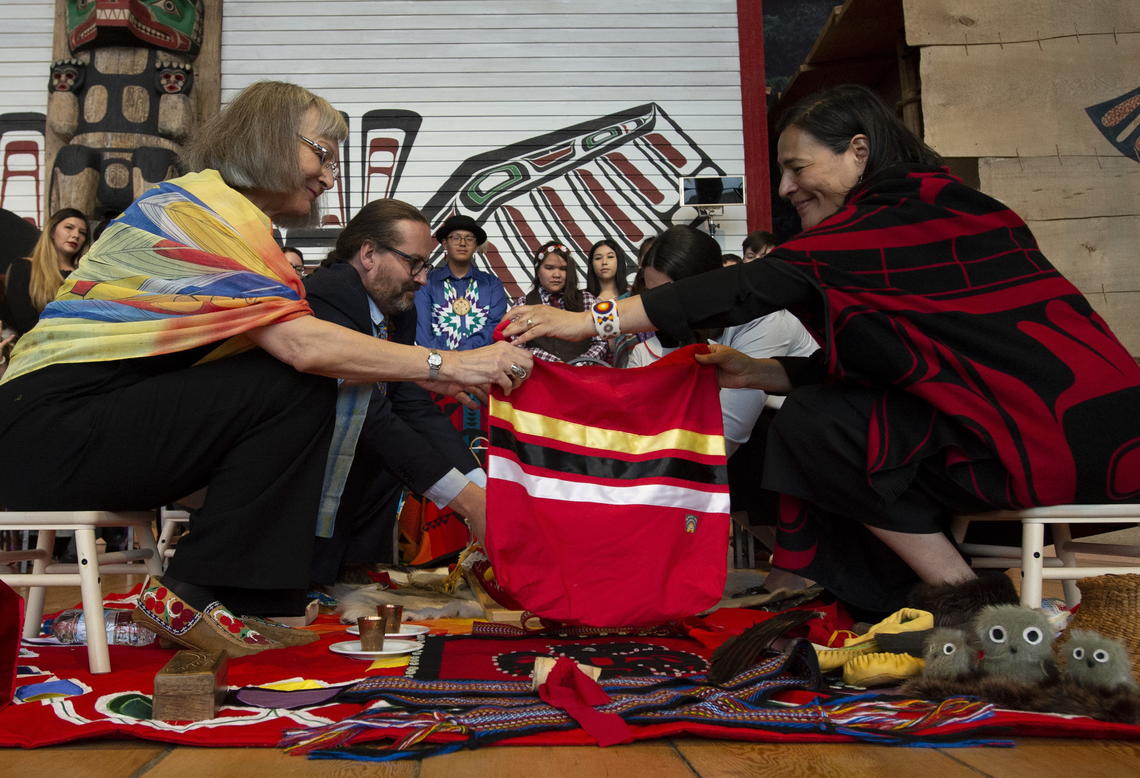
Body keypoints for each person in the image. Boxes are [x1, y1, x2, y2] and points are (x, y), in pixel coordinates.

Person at [503, 84, 1140, 617]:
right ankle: (890, 595)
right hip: (1087, 434)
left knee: (817, 425)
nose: (784, 188)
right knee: (828, 418)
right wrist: (760, 372)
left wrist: (592, 322)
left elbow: (749, 285)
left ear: (858, 151)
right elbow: (900, 366)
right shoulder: (955, 210)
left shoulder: (888, 221)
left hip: (1049, 445)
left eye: (797, 168)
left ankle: (965, 601)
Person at [0, 81, 531, 657]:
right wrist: (453, 361)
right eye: (322, 153)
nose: (330, 177)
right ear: (270, 139)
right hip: (45, 432)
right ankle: (203, 593)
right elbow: (304, 349)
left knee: (309, 380)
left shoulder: (235, 222)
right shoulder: (196, 211)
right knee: (300, 377)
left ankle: (233, 594)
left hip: (88, 427)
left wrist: (432, 374)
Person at [305, 200, 489, 584]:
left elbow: (411, 403)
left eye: (426, 266)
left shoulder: (399, 309)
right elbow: (368, 415)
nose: (422, 279)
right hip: (307, 471)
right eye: (415, 263)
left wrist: (481, 486)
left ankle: (353, 572)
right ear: (369, 253)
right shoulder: (330, 294)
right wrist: (467, 500)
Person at [626, 225, 817, 457]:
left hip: (798, 440)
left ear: (704, 286)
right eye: (651, 297)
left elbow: (726, 435)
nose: (659, 311)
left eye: (666, 299)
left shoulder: (764, 320)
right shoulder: (683, 329)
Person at [415, 214, 507, 351]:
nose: (462, 243)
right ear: (445, 243)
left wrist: (463, 355)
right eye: (456, 237)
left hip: (483, 366)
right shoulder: (426, 284)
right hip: (439, 366)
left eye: (469, 238)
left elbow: (495, 327)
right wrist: (447, 361)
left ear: (476, 245)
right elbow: (423, 332)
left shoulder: (493, 285)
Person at [512, 241, 607, 365]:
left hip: (581, 378)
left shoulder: (587, 300)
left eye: (563, 269)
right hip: (539, 378)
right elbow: (515, 345)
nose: (557, 274)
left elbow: (600, 342)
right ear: (537, 270)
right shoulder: (523, 305)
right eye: (549, 268)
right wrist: (554, 364)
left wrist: (577, 365)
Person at [2, 208, 88, 336]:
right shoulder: (24, 267)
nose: (76, 235)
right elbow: (23, 320)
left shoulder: (85, 276)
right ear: (52, 231)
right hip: (37, 346)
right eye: (69, 228)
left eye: (82, 233)